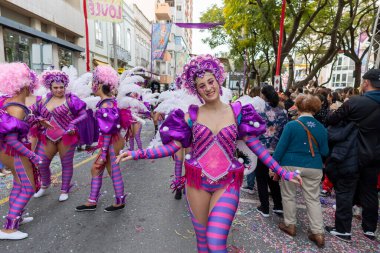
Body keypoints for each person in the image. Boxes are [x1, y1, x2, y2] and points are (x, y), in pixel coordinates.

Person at [116, 55, 301, 252]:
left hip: (227, 183)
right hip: (197, 184)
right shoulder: (191, 115)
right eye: (201, 85)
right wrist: (138, 154)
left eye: (210, 81)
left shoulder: (238, 112)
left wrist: (283, 172)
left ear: (218, 80)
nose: (208, 88)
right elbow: (172, 147)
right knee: (203, 244)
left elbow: (258, 148)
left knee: (215, 242)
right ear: (196, 90)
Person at [325, 69, 380, 242]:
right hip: (375, 155)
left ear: (366, 83)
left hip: (353, 153)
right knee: (370, 191)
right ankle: (370, 229)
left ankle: (343, 230)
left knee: (345, 190)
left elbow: (332, 120)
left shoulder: (355, 102)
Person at [273, 94, 329, 248]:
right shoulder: (321, 128)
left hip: (291, 165)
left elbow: (280, 148)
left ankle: (290, 225)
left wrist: (273, 166)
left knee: (289, 195)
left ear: (297, 106)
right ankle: (318, 232)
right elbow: (325, 151)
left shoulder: (291, 125)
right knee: (313, 199)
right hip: (314, 166)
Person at [76, 65, 127, 212]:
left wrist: (103, 153)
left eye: (93, 82)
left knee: (111, 170)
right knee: (97, 169)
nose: (92, 85)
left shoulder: (106, 105)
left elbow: (107, 131)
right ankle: (93, 200)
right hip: (113, 140)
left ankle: (118, 200)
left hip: (111, 141)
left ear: (98, 85)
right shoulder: (108, 102)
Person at [0, 63, 41, 239]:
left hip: (8, 150)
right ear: (24, 84)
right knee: (28, 188)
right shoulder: (16, 107)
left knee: (18, 183)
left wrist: (36, 121)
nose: (33, 87)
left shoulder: (10, 101)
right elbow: (11, 139)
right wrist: (32, 155)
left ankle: (17, 217)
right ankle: (9, 228)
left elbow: (15, 129)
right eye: (31, 83)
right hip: (14, 151)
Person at [33, 70, 87, 202]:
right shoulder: (43, 100)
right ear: (49, 87)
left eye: (61, 87)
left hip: (66, 136)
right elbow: (34, 114)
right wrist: (39, 118)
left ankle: (64, 189)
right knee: (41, 162)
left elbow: (84, 114)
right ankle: (45, 184)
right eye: (55, 87)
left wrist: (73, 124)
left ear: (65, 86)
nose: (59, 90)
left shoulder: (71, 99)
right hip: (48, 137)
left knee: (66, 163)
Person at [255, 85, 288, 217]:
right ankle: (278, 205)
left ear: (264, 95)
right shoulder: (283, 112)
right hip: (277, 149)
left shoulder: (260, 110)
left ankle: (264, 207)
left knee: (261, 178)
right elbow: (285, 131)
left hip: (262, 149)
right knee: (273, 178)